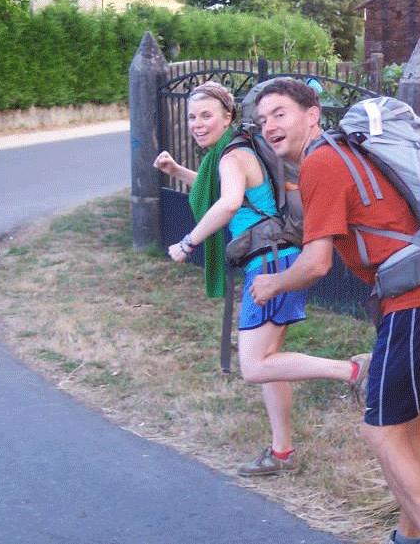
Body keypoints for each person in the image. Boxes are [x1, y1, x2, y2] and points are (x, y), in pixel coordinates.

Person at [248, 78, 420, 544]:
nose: (269, 126)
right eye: (262, 119)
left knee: (381, 431)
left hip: (417, 302)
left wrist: (273, 283)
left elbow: (315, 264)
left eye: (280, 114)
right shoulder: (345, 153)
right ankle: (408, 536)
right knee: (408, 426)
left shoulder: (321, 162)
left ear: (312, 115)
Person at [153, 80, 370, 477]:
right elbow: (227, 193)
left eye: (206, 115)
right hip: (279, 254)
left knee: (254, 366)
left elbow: (228, 204)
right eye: (191, 117)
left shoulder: (232, 155)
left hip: (269, 261)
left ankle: (355, 371)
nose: (197, 124)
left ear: (227, 117)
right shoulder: (239, 149)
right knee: (271, 364)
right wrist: (177, 171)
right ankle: (282, 452)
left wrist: (188, 243)